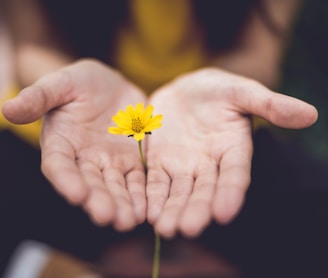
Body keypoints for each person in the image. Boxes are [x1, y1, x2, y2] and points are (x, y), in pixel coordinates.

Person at [1, 0, 318, 241]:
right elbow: (34, 44)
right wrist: (60, 84)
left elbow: (258, 53)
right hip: (77, 127)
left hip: (213, 129)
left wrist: (223, 83)